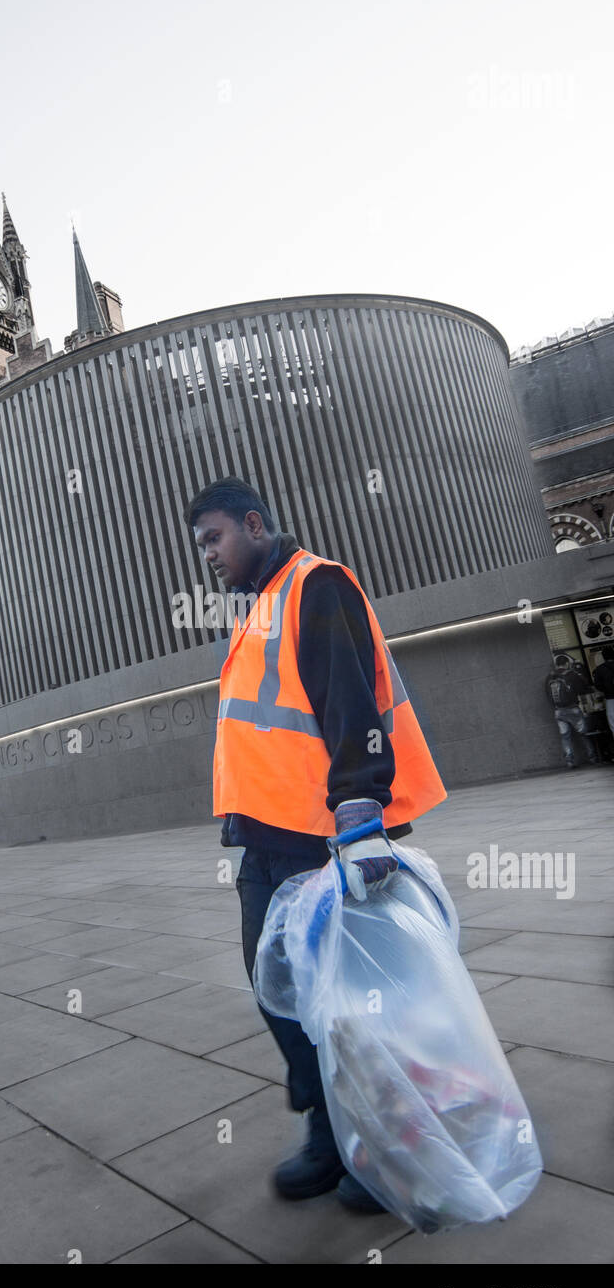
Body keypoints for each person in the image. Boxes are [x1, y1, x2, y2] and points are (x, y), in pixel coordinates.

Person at [184, 476, 447, 1214]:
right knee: (282, 996)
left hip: (322, 842)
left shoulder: (316, 585)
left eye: (215, 537)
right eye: (201, 543)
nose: (207, 554)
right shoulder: (257, 609)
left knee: (346, 1005)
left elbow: (349, 702)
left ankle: (380, 1144)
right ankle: (329, 1135)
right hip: (264, 843)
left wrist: (360, 817)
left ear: (255, 524)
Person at [544, 653, 600, 768]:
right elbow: (583, 689)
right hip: (573, 709)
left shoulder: (549, 677)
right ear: (566, 663)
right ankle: (592, 757)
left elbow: (547, 695)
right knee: (583, 734)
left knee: (565, 737)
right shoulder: (571, 674)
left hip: (558, 711)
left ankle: (569, 761)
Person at [592, 645, 614, 740]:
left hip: (610, 699)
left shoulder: (600, 669)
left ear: (603, 657)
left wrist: (606, 689)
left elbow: (598, 685)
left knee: (613, 723)